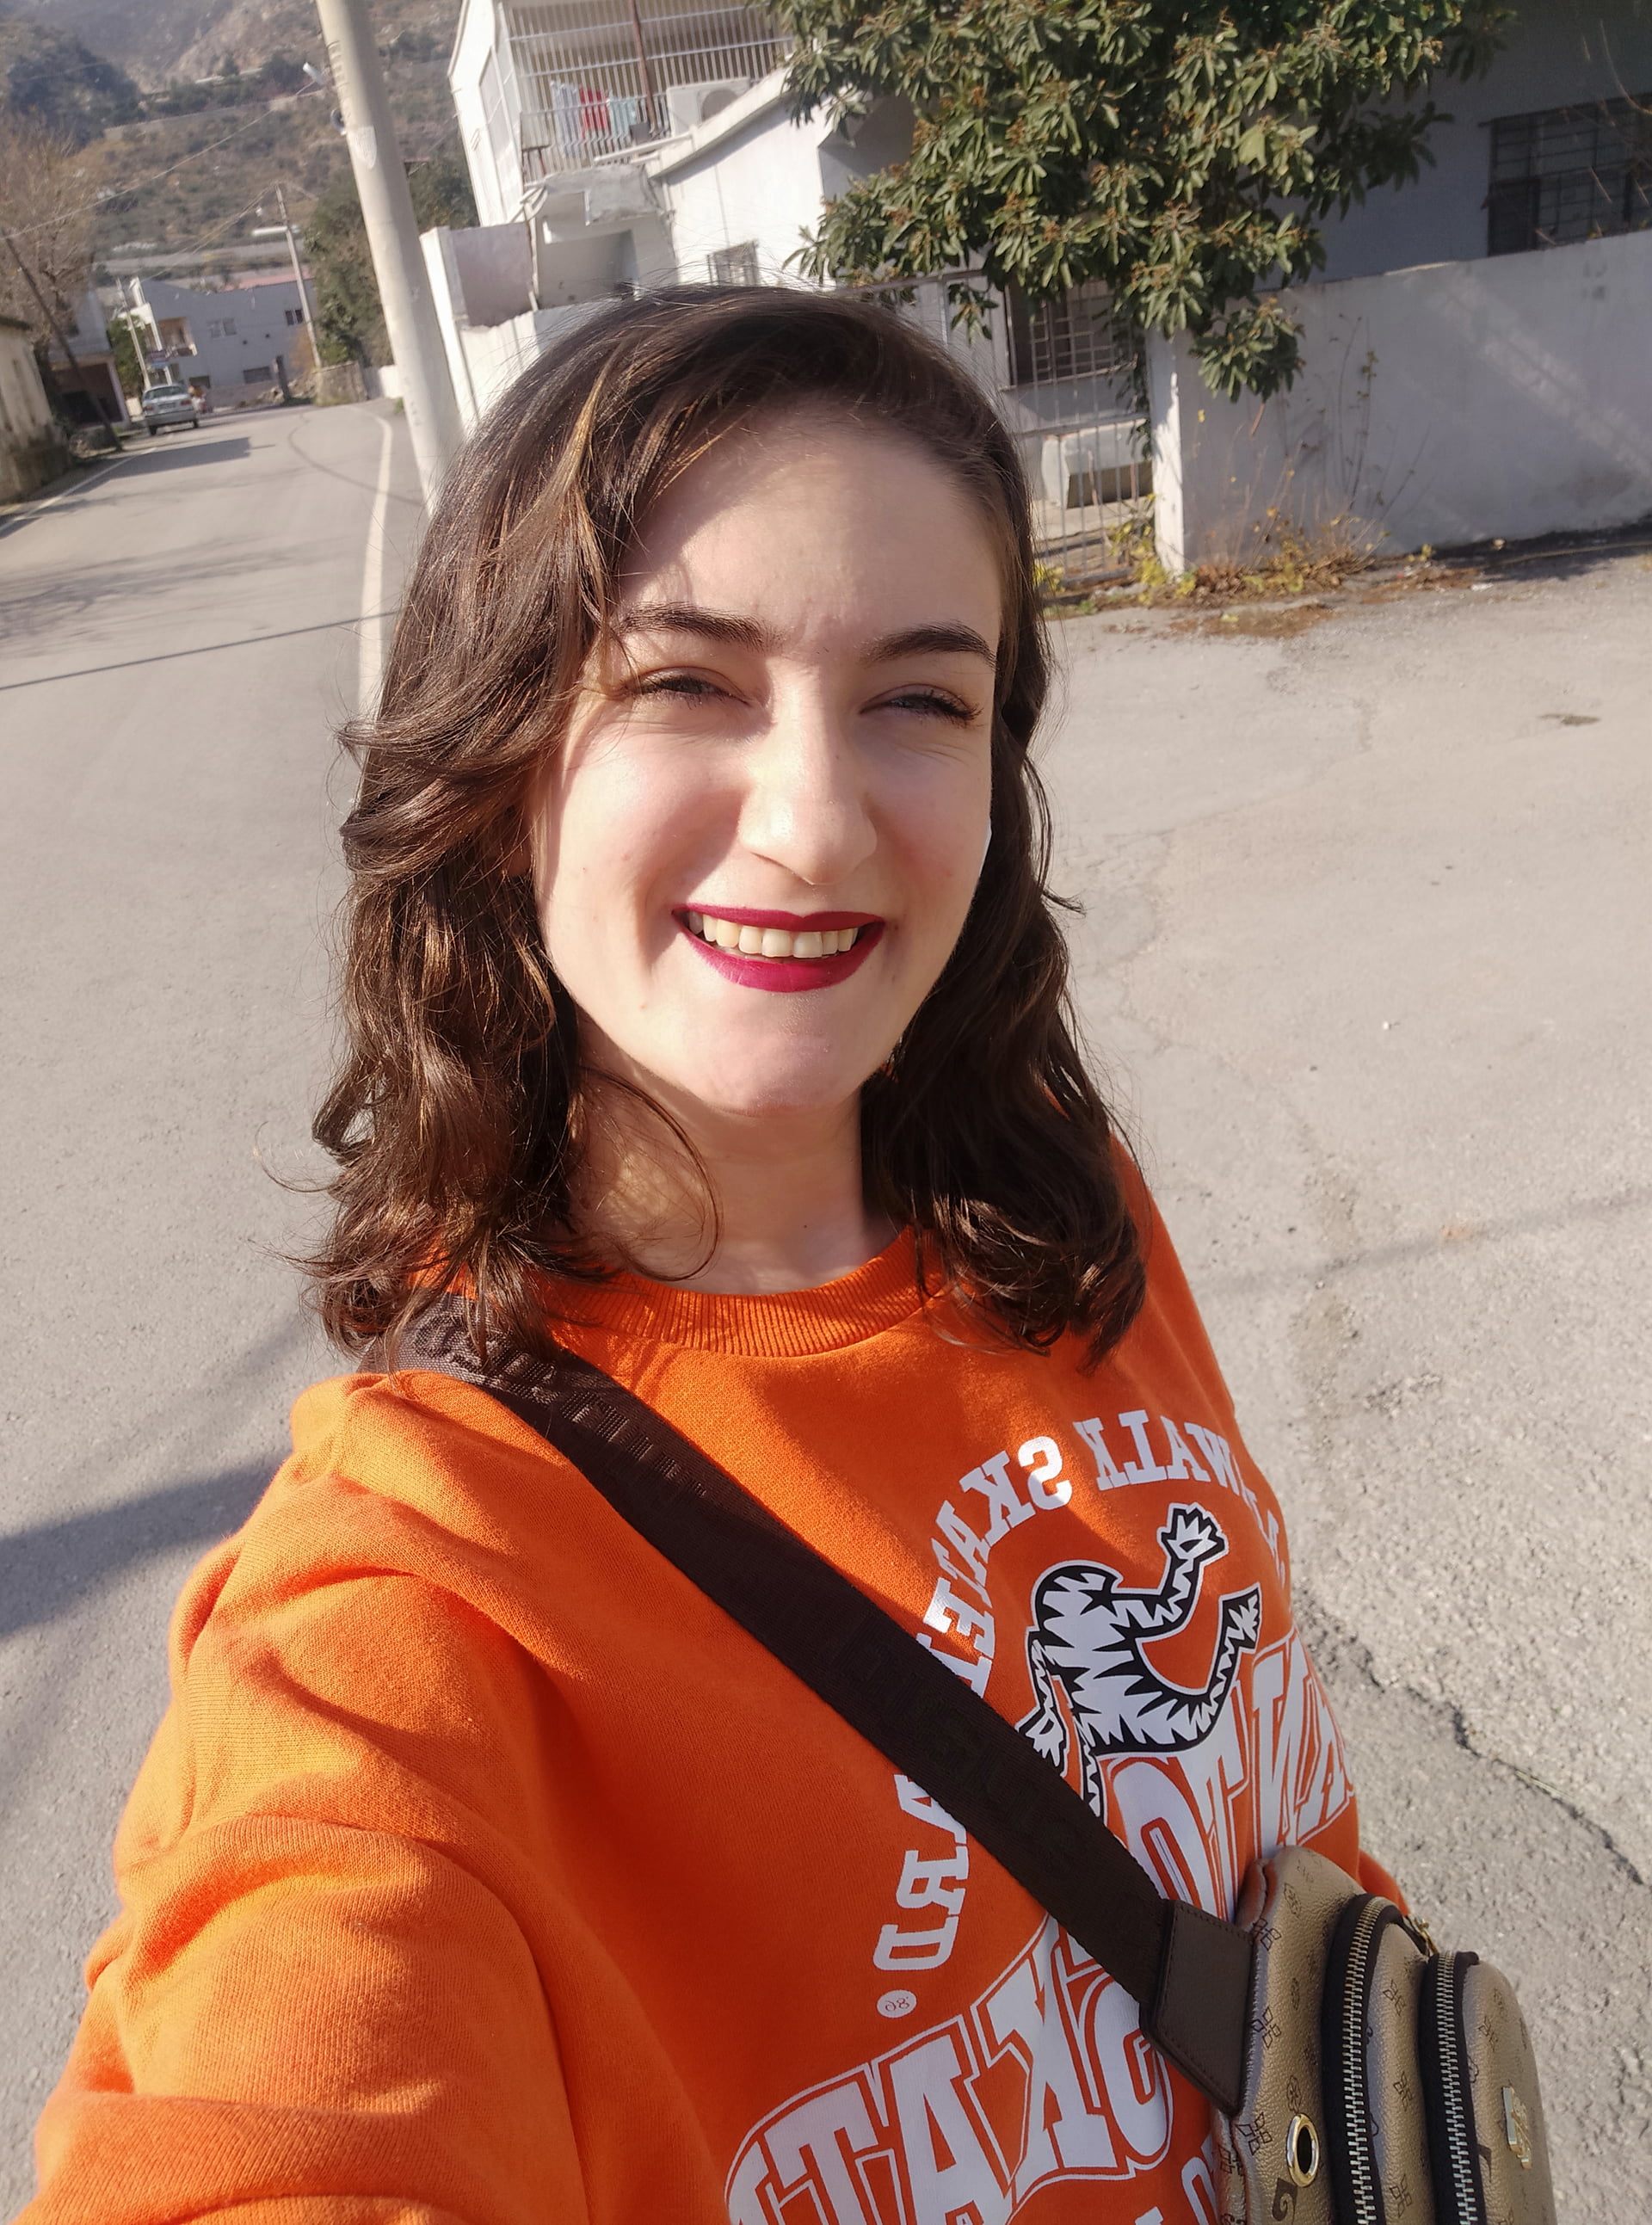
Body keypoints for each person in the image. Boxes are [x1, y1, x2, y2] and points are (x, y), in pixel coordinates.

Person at [24, 287, 1400, 2225]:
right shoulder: (412, 1594)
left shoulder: (1063, 1207)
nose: (818, 824)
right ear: (504, 758)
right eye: (685, 683)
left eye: (921, 698)